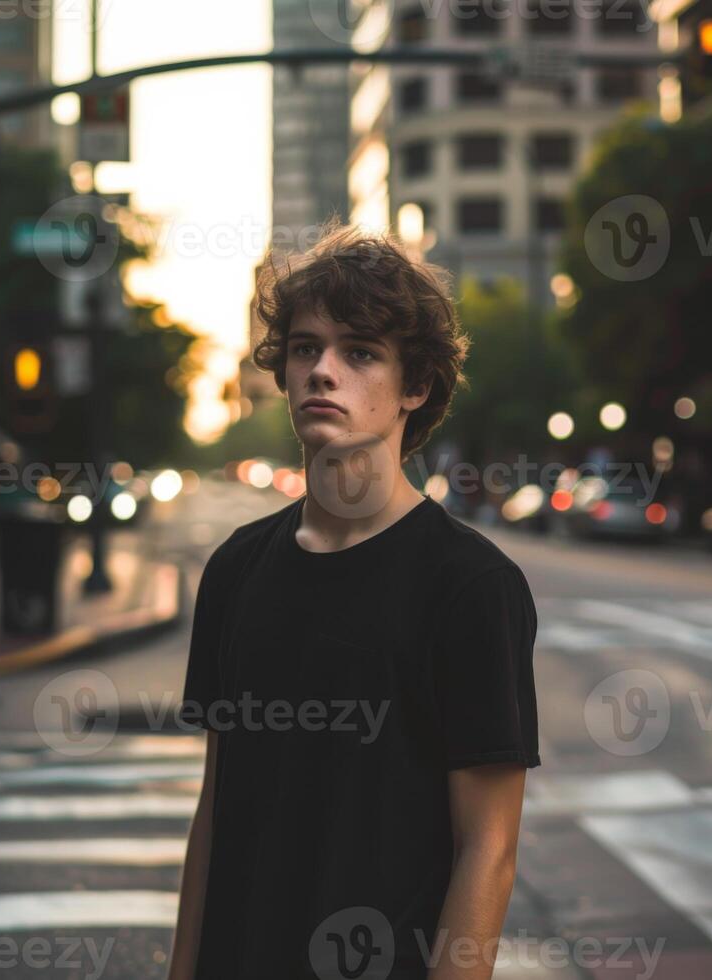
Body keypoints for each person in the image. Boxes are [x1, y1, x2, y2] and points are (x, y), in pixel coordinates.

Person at [167, 217, 541, 980]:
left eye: (359, 352)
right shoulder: (235, 570)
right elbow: (215, 811)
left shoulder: (471, 586)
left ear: (415, 387)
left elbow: (489, 849)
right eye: (305, 348)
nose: (322, 371)